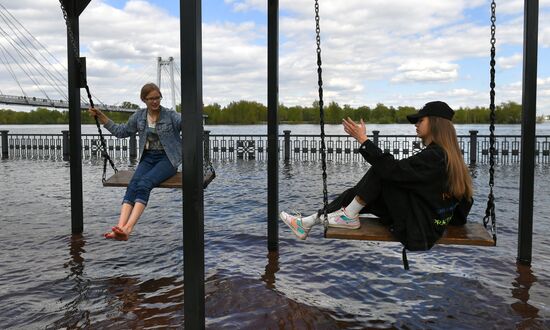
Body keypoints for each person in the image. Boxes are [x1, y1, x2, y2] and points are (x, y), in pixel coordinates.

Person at [280, 101, 474, 251]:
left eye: (420, 120)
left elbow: (392, 170)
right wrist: (446, 220)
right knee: (360, 194)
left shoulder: (435, 156)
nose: (416, 124)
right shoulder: (450, 157)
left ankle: (344, 217)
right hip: (426, 223)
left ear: (435, 124)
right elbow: (464, 203)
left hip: (419, 231)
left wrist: (363, 141)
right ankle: (308, 222)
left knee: (382, 171)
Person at [89, 83, 182, 241]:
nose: (155, 101)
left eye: (157, 98)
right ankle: (119, 227)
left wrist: (194, 113)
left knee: (145, 183)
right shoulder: (139, 116)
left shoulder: (170, 115)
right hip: (147, 158)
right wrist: (101, 116)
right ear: (144, 100)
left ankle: (128, 229)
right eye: (151, 98)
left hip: (167, 159)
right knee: (133, 184)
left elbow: (185, 124)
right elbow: (121, 131)